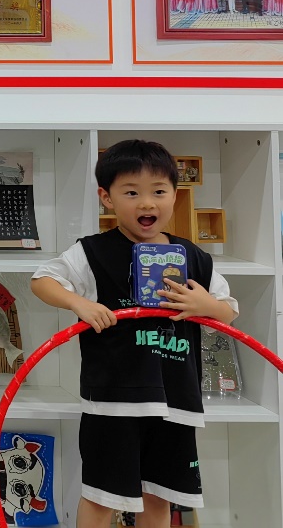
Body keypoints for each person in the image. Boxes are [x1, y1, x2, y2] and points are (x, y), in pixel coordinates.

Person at [31, 140, 237, 528]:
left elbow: (228, 310)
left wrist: (205, 306)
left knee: (159, 497)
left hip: (175, 400)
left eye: (159, 192)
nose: (146, 203)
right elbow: (42, 280)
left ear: (174, 195)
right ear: (106, 198)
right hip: (113, 401)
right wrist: (80, 304)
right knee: (101, 497)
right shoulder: (92, 252)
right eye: (131, 193)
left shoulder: (194, 257)